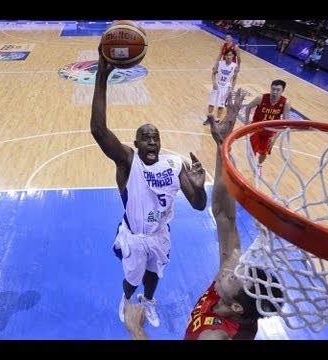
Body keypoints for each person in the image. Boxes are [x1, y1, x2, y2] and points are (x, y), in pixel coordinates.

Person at [124, 89, 284, 340]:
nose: (229, 270)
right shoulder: (233, 289)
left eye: (233, 277)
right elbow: (223, 215)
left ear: (236, 308)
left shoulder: (215, 335)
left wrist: (135, 328)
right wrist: (223, 146)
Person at [90, 43, 207, 328]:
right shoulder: (129, 163)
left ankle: (149, 302)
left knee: (154, 275)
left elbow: (200, 205)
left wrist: (200, 186)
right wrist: (102, 78)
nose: (152, 141)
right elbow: (98, 130)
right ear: (136, 144)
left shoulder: (174, 165)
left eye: (155, 136)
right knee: (132, 279)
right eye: (145, 137)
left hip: (160, 234)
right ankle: (126, 299)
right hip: (135, 236)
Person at [243, 80, 291, 175]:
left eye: (278, 90)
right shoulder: (261, 98)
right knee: (251, 152)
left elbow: (286, 123)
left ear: (282, 90)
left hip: (271, 131)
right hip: (256, 128)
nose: (274, 92)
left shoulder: (285, 103)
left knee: (264, 152)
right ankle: (252, 164)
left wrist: (275, 136)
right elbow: (248, 107)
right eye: (273, 89)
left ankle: (259, 165)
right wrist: (246, 124)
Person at [203, 49, 239, 125]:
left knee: (221, 105)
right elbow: (213, 73)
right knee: (211, 103)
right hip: (217, 85)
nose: (228, 57)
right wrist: (214, 82)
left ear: (233, 56)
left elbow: (235, 78)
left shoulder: (234, 66)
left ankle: (217, 120)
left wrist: (232, 88)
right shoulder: (219, 63)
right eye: (227, 55)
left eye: (230, 55)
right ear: (225, 56)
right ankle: (209, 118)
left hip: (226, 87)